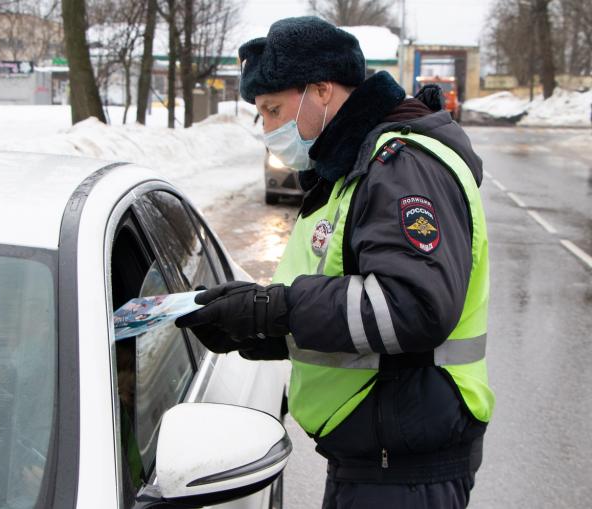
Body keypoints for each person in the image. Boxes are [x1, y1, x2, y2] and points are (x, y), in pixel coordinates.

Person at [176, 16, 494, 509]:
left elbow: (411, 306)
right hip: (379, 457)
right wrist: (255, 328)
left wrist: (274, 310)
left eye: (273, 110)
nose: (268, 129)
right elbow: (352, 311)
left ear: (321, 91)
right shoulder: (353, 170)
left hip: (405, 470)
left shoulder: (400, 165)